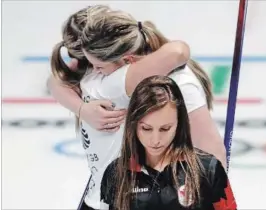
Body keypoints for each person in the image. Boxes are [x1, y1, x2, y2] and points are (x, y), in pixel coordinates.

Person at [48, 7, 227, 210]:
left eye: (97, 65)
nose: (91, 71)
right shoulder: (103, 77)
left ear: (127, 59)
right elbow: (178, 51)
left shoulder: (165, 82)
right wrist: (81, 109)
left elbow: (210, 153)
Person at [100, 75, 237, 210]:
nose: (155, 140)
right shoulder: (115, 174)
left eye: (165, 128)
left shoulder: (208, 169)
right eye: (146, 128)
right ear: (133, 124)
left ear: (179, 123)